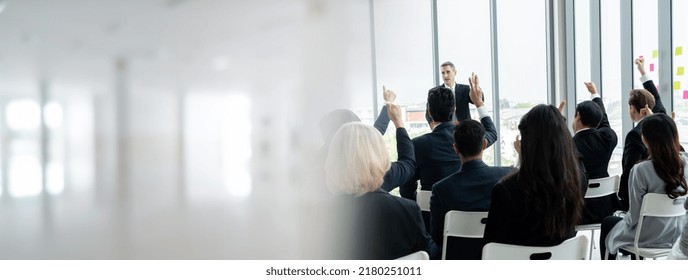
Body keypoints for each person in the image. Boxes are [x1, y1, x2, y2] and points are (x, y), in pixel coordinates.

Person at [325, 104, 437, 259]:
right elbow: (430, 256)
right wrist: (399, 124)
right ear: (380, 155)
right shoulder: (406, 210)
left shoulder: (318, 217)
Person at [429, 76, 515, 259]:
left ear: (455, 148)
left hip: (457, 257)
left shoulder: (441, 189)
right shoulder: (508, 176)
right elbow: (492, 132)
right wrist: (479, 103)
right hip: (498, 255)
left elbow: (437, 237)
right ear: (484, 144)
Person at [483, 104, 587, 247]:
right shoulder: (576, 182)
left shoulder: (505, 190)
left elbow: (490, 247)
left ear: (527, 143)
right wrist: (556, 125)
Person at [599, 113, 687, 260]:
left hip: (648, 237)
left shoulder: (640, 170)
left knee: (609, 222)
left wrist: (622, 216)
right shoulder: (686, 163)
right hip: (678, 233)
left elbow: (633, 218)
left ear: (645, 140)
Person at [399, 73, 497, 200]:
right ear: (454, 109)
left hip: (431, 214)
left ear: (429, 112)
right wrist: (478, 103)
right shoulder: (470, 137)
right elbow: (492, 132)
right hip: (472, 214)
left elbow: (406, 190)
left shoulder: (416, 144)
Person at [618, 57, 667, 211]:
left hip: (641, 202)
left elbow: (630, 172)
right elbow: (656, 98)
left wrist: (620, 195)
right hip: (665, 198)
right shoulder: (663, 122)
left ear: (633, 108)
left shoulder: (635, 135)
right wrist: (643, 72)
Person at [572, 82, 619, 224]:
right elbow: (604, 122)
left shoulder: (568, 145)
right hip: (605, 208)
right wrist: (595, 95)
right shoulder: (608, 138)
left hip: (577, 212)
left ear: (578, 116)